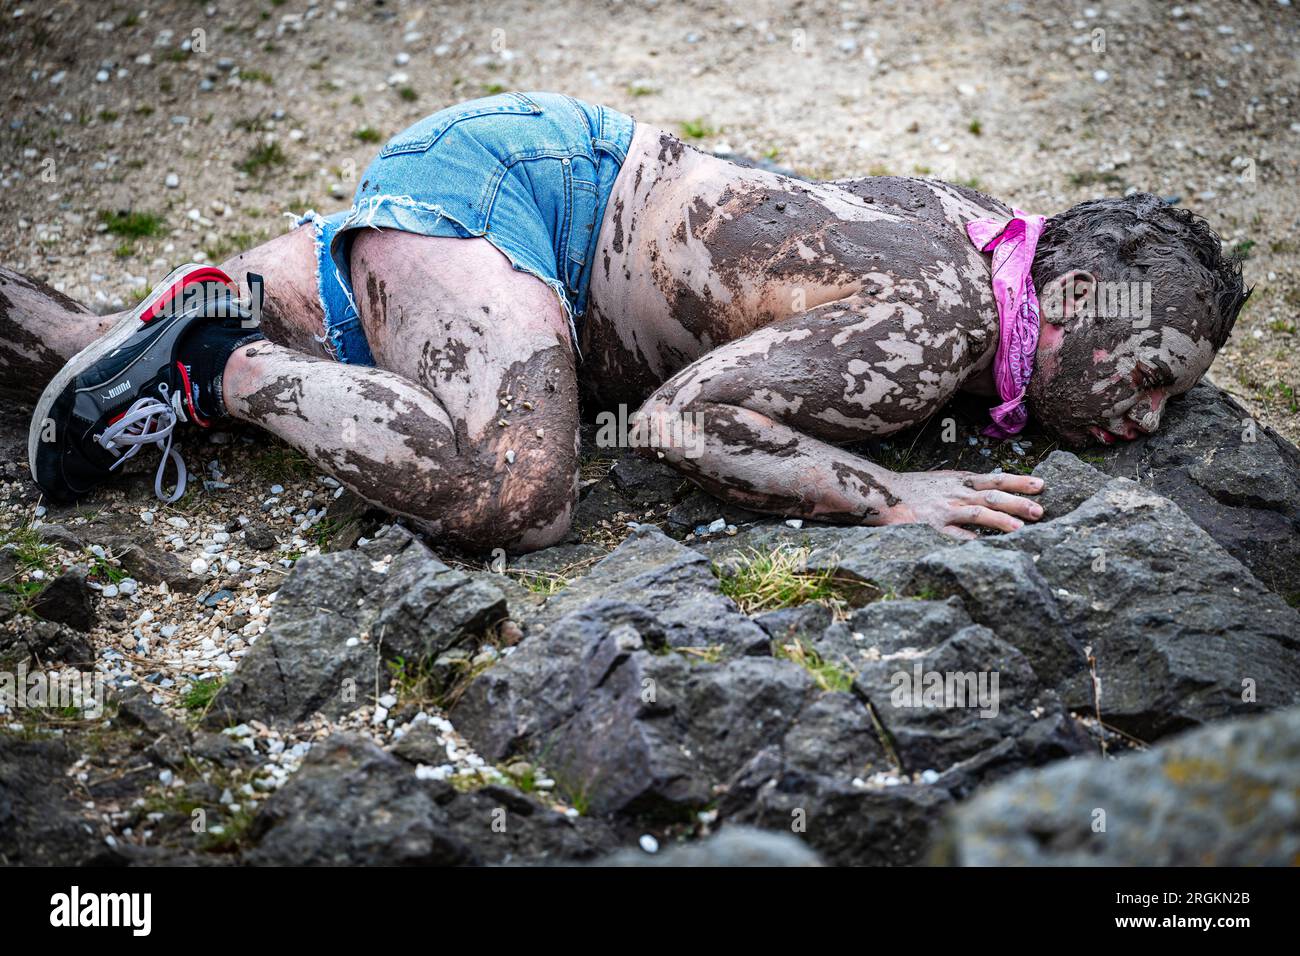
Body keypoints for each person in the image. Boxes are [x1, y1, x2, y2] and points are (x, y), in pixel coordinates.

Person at [6, 91, 1248, 552]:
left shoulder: (994, 236)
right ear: (1082, 298)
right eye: (1154, 375)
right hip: (524, 201)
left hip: (536, 201)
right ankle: (214, 362)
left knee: (87, 347)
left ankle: (155, 341)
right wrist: (886, 495)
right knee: (521, 495)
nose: (1149, 417)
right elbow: (679, 421)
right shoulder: (938, 320)